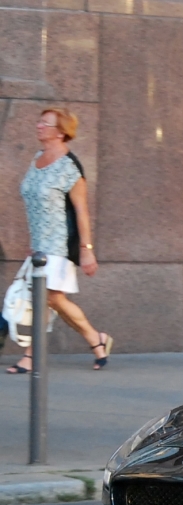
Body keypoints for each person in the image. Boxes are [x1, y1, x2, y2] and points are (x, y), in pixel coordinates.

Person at [10, 107, 111, 374]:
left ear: (61, 132)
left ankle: (31, 356)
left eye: (45, 123)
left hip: (60, 243)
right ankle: (95, 339)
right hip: (40, 245)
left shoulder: (70, 167)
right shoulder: (37, 158)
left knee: (47, 297)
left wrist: (86, 250)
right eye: (39, 121)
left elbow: (81, 211)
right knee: (53, 299)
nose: (38, 126)